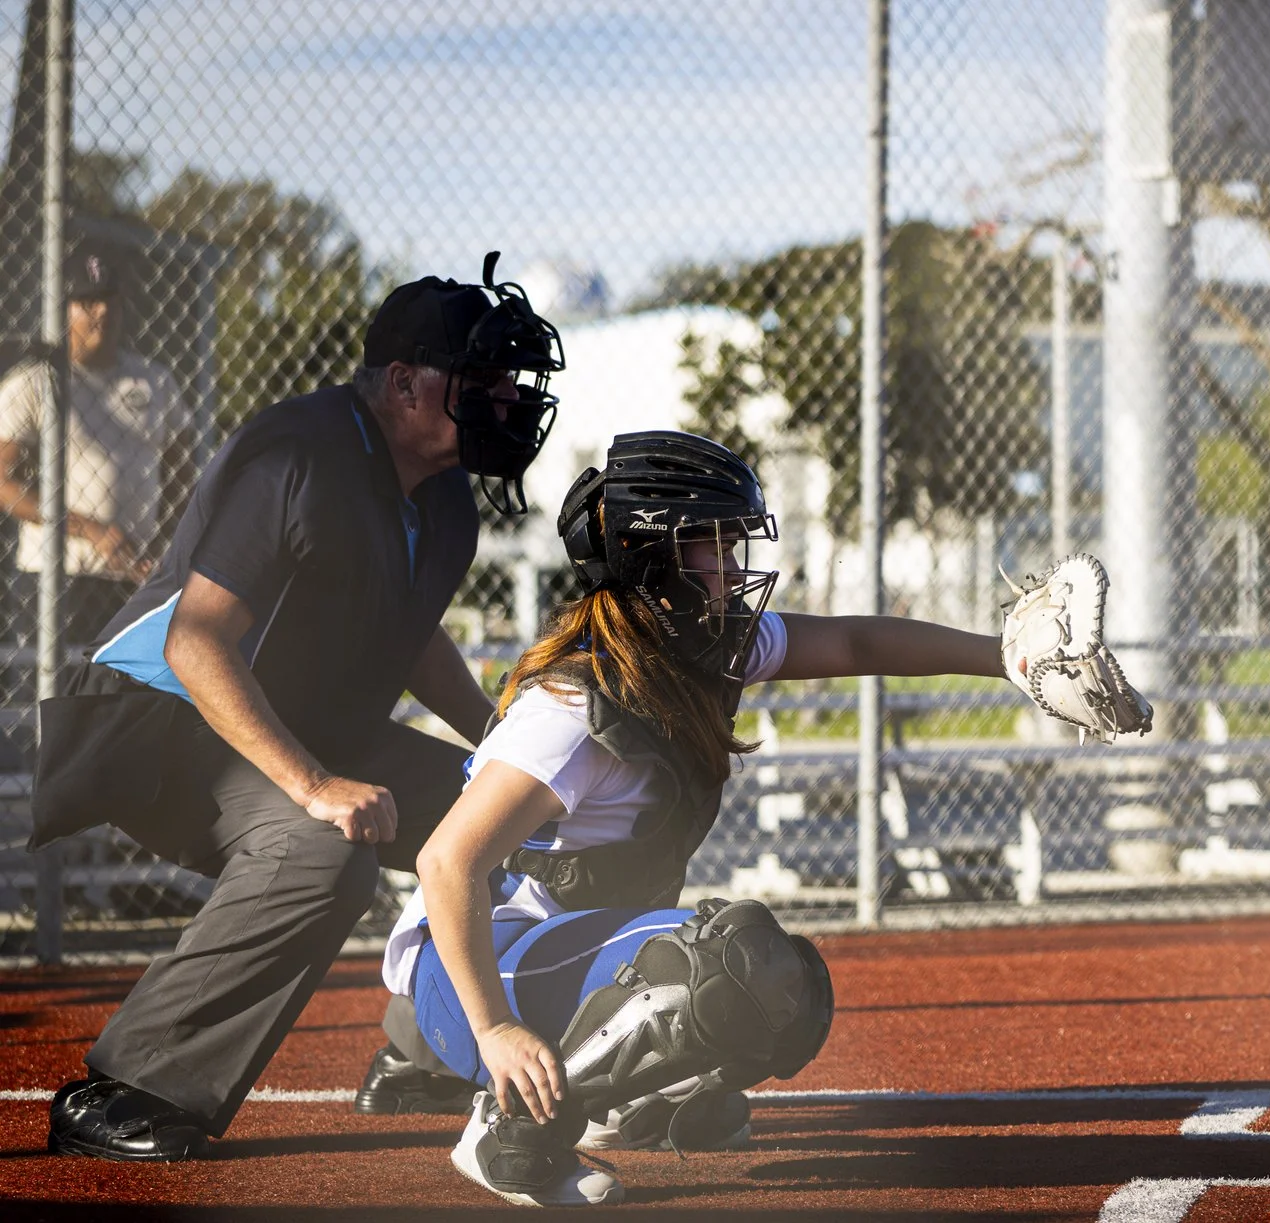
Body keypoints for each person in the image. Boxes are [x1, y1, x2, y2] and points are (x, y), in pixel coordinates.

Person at [375, 431, 1148, 1205]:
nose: (737, 568)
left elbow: (853, 638)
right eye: (714, 546)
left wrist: (1006, 657)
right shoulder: (574, 705)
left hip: (561, 953)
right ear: (654, 562)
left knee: (790, 997)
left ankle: (612, 1101)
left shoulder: (694, 650)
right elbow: (447, 863)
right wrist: (495, 1029)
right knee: (732, 963)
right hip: (474, 966)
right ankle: (506, 1128)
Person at [37, 256, 566, 1162]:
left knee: (529, 813)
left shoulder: (444, 499)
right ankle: (123, 1086)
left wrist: (506, 744)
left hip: (294, 716)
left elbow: (409, 635)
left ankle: (428, 1046)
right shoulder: (299, 451)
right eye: (478, 378)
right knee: (324, 849)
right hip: (158, 716)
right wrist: (315, 785)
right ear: (404, 383)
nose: (504, 398)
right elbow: (194, 643)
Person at [0, 246, 191, 641]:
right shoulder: (37, 381)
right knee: (58, 693)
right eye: (87, 302)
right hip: (56, 576)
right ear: (64, 309)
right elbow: (4, 482)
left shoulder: (153, 380)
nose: (101, 313)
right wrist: (90, 529)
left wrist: (160, 545)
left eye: (109, 301)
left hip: (136, 580)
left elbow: (181, 474)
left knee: (124, 697)